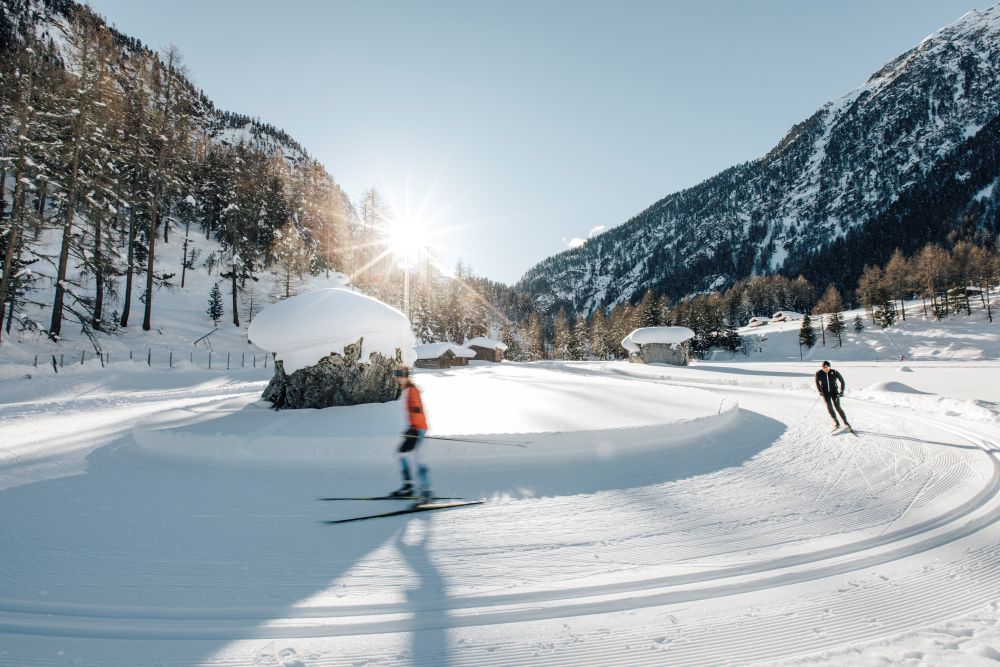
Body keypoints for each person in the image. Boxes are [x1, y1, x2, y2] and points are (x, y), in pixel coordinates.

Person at [390, 366, 432, 500]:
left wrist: (413, 428)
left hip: (418, 429)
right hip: (416, 428)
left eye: (400, 376)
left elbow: (417, 410)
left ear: (405, 377)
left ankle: (425, 492)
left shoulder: (412, 390)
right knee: (402, 453)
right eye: (397, 376)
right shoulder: (409, 389)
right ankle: (408, 487)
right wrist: (411, 428)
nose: (398, 379)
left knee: (418, 458)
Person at [815, 360, 851, 431]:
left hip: (834, 392)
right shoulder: (819, 373)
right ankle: (836, 422)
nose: (826, 369)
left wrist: (842, 391)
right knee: (829, 407)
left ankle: (846, 422)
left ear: (829, 367)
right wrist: (820, 391)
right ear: (822, 367)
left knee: (838, 407)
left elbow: (842, 381)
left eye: (827, 367)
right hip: (825, 393)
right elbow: (817, 383)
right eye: (824, 367)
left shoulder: (834, 372)